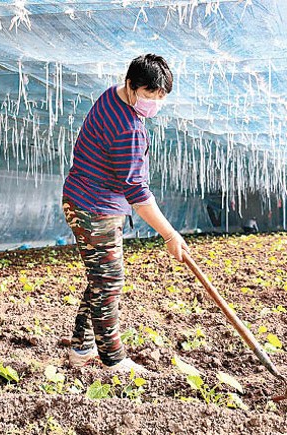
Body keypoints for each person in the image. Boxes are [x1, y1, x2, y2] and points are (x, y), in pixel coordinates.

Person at [62, 54, 188, 374]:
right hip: (94, 208)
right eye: (149, 95)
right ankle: (114, 360)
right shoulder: (128, 129)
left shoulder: (113, 94)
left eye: (160, 98)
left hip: (86, 198)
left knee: (100, 279)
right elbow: (138, 194)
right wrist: (170, 235)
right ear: (131, 86)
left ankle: (82, 348)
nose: (154, 104)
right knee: (109, 281)